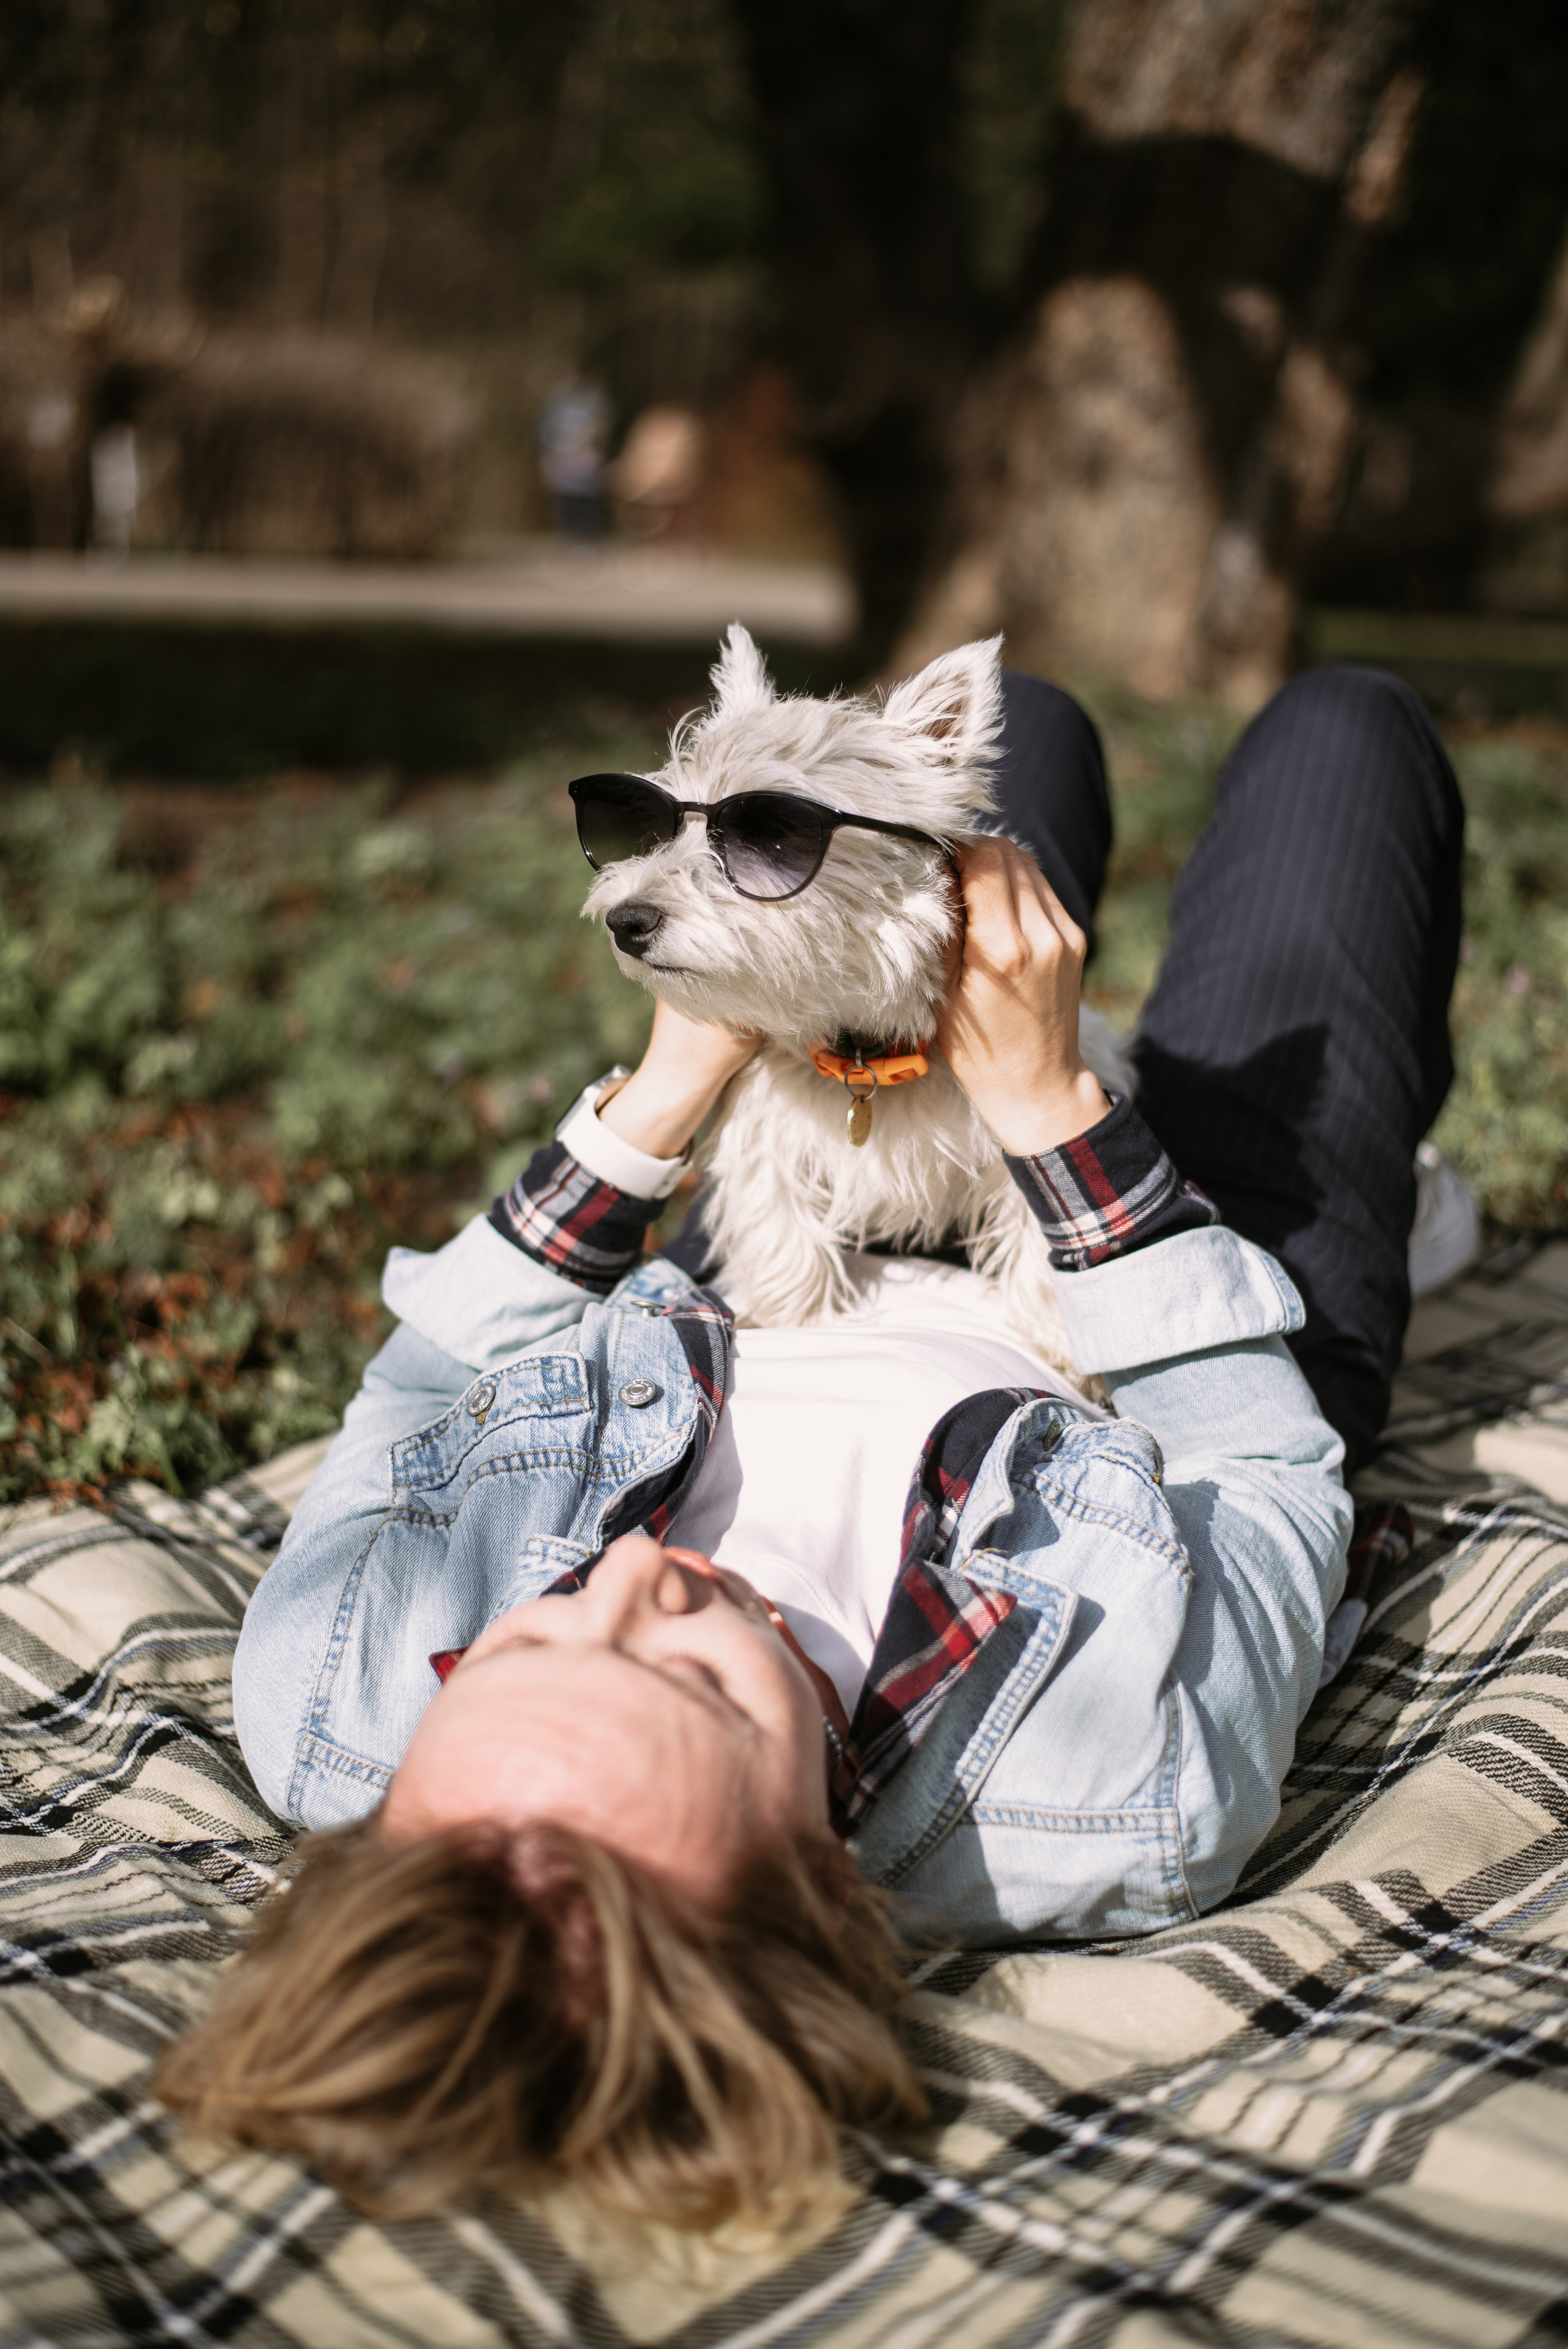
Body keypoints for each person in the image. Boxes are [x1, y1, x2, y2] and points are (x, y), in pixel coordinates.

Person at [157, 665, 1465, 2232]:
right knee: (1341, 733)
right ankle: (1374, 1180)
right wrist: (1055, 1117)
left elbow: (416, 1386)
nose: (639, 1576)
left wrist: (671, 1086)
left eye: (521, 1644)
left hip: (806, 1203)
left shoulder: (323, 1698)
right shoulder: (1123, 1800)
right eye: (700, 1683)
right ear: (825, 1894)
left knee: (1023, 722)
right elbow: (1261, 1471)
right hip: (1191, 1302)